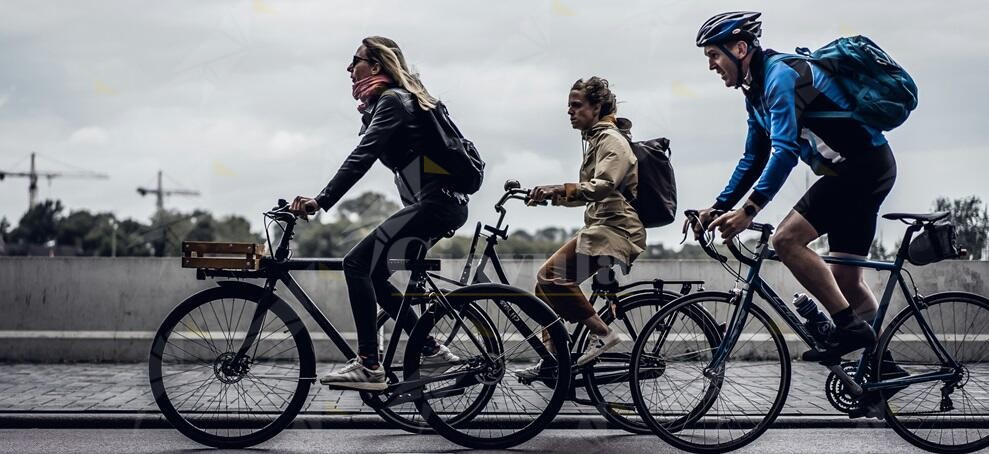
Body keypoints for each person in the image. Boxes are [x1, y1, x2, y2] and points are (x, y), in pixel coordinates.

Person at [691, 12, 897, 363]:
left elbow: (784, 151)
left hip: (862, 168)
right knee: (845, 281)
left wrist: (749, 210)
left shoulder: (780, 77)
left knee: (786, 240)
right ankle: (882, 370)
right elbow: (753, 156)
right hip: (856, 171)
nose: (711, 64)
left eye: (714, 54)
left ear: (740, 48)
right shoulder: (754, 92)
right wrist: (720, 205)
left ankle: (848, 328)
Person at [288, 36, 467, 391]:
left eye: (355, 61)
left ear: (377, 65)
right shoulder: (393, 101)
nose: (348, 68)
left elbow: (363, 156)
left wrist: (320, 201)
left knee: (355, 264)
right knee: (375, 273)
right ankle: (430, 349)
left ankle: (370, 365)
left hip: (435, 205)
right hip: (441, 204)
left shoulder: (392, 101)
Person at [525, 77, 646, 372]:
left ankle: (602, 333)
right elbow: (587, 191)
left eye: (577, 106)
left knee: (552, 276)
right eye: (569, 106)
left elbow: (602, 186)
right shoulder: (597, 141)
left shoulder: (612, 141)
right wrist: (551, 195)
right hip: (602, 228)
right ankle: (553, 360)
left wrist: (559, 188)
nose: (570, 111)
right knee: (545, 289)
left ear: (597, 107)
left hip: (615, 231)